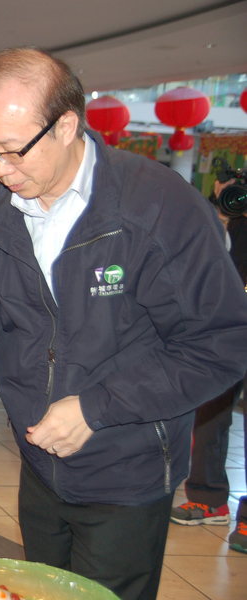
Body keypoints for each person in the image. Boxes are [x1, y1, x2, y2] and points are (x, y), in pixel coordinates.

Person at [0, 47, 247, 600]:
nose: (0, 171)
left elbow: (220, 344)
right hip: (39, 462)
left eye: (13, 151)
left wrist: (96, 406)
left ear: (67, 125)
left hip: (126, 471)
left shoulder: (157, 208)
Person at [169, 177, 247, 554]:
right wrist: (221, 209)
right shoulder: (233, 208)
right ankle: (207, 497)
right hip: (230, 316)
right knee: (210, 409)